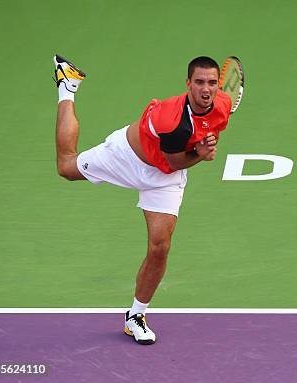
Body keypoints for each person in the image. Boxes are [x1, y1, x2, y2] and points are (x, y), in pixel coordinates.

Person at [53, 54, 232, 345]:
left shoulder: (223, 105)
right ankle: (67, 87)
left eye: (212, 83)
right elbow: (176, 161)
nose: (206, 89)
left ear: (219, 85)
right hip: (126, 157)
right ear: (188, 83)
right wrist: (200, 154)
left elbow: (191, 146)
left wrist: (204, 145)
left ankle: (136, 315)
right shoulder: (173, 121)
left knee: (160, 247)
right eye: (199, 82)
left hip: (162, 178)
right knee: (66, 167)